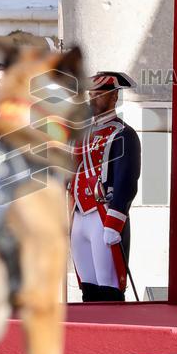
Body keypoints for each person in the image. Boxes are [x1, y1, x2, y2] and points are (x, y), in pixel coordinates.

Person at [69, 71, 142, 301]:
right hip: (79, 214)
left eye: (99, 94)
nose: (93, 98)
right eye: (91, 94)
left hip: (104, 215)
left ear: (114, 97)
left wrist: (115, 220)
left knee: (108, 285)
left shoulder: (123, 134)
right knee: (87, 285)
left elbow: (126, 181)